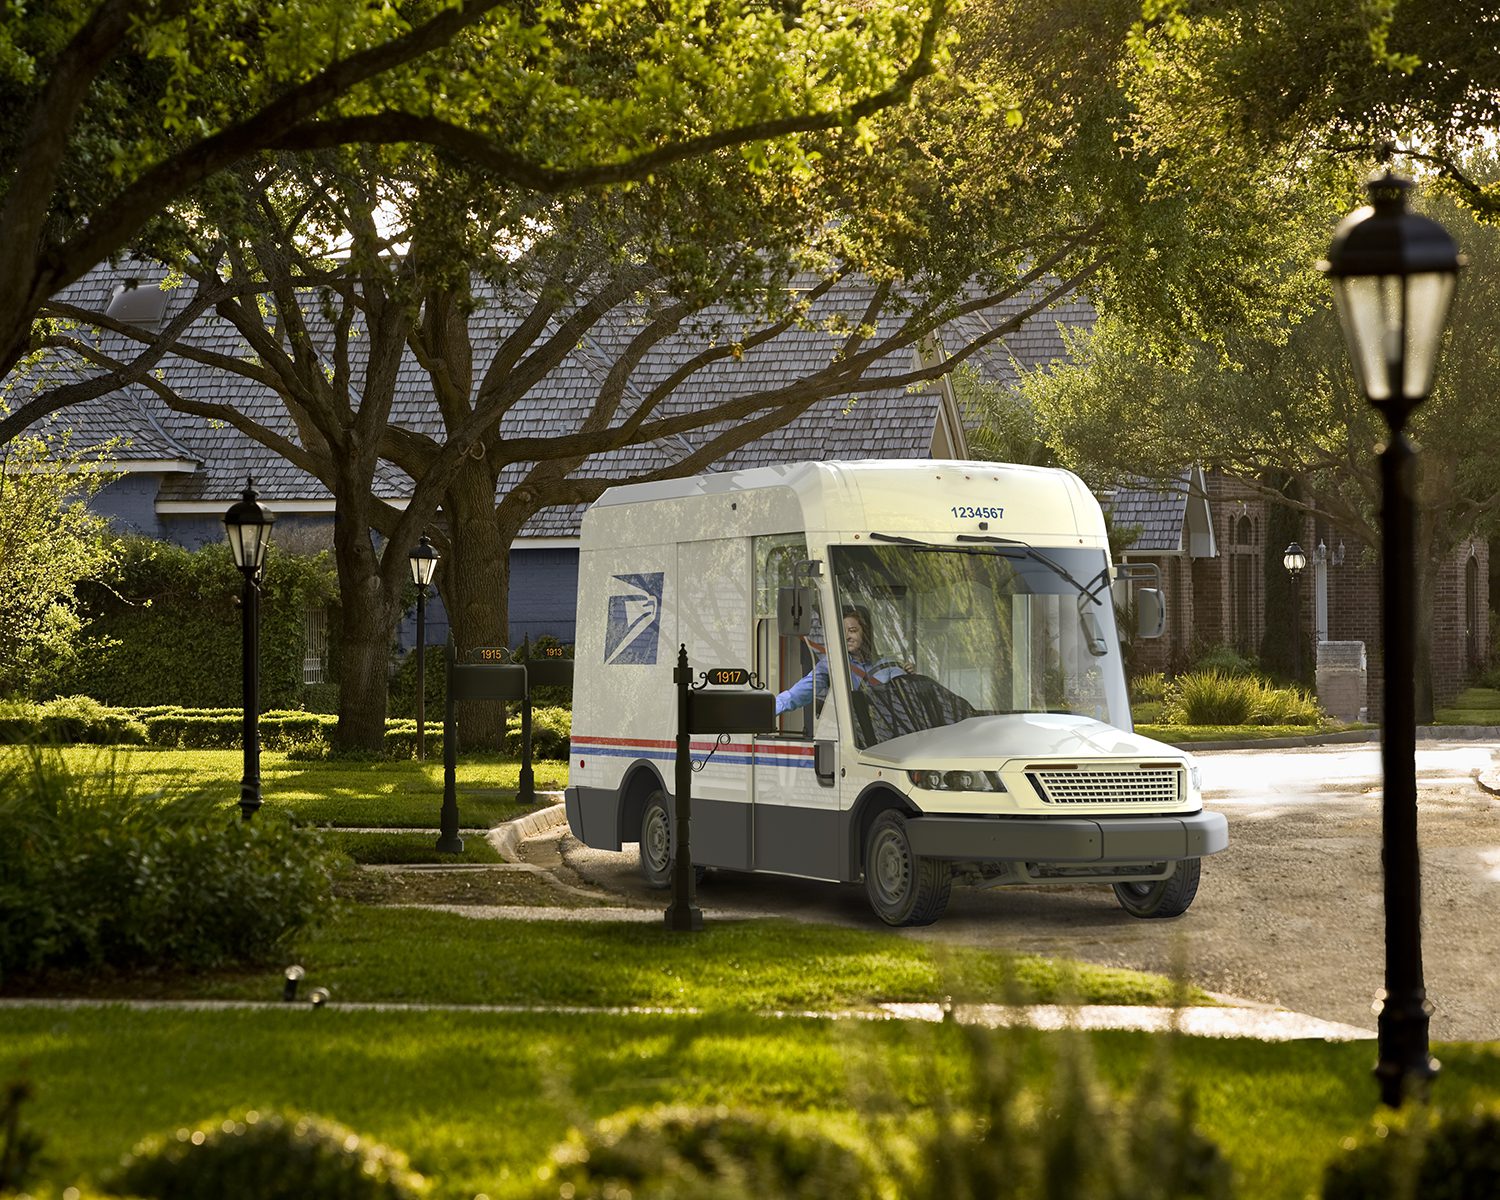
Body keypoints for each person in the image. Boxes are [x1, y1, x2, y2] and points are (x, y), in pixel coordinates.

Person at [774, 606, 904, 715]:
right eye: (842, 632)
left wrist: (911, 675)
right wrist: (767, 708)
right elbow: (798, 694)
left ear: (866, 632)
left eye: (852, 631)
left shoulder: (888, 666)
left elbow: (906, 697)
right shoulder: (832, 665)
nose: (847, 637)